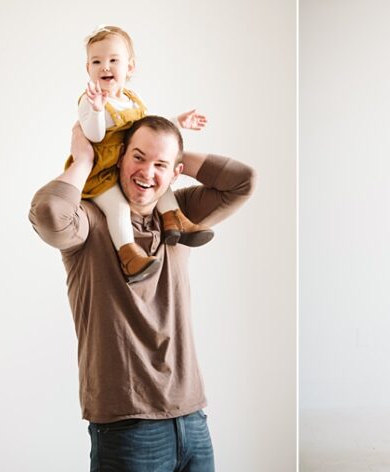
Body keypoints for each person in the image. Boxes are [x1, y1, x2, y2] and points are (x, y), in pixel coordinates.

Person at [30, 116, 256, 471]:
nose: (147, 172)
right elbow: (48, 213)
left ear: (175, 172)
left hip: (193, 418)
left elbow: (242, 182)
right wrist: (86, 160)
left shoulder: (180, 217)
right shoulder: (88, 222)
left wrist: (170, 151)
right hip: (126, 423)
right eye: (138, 157)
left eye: (160, 165)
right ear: (119, 157)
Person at [69, 25, 212, 283]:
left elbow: (146, 132)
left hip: (129, 166)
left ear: (130, 68)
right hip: (103, 174)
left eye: (113, 60)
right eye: (97, 61)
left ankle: (174, 221)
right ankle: (129, 255)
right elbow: (94, 135)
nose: (105, 67)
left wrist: (176, 122)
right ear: (88, 68)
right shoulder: (89, 99)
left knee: (163, 184)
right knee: (119, 208)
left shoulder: (132, 100)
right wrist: (98, 110)